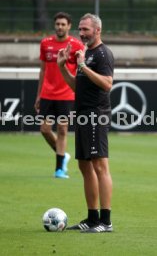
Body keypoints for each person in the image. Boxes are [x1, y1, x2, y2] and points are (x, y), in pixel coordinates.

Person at [57, 13, 114, 233]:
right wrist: (64, 67)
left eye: (85, 30)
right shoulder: (86, 53)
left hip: (96, 115)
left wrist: (83, 67)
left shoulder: (102, 54)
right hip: (82, 114)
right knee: (84, 166)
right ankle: (92, 219)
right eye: (79, 29)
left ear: (97, 30)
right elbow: (76, 87)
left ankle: (106, 221)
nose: (81, 33)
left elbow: (108, 84)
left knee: (100, 166)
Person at [34, 12, 84, 179]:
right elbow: (42, 70)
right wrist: (38, 94)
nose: (60, 27)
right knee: (44, 129)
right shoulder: (45, 43)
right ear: (54, 25)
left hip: (66, 94)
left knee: (62, 129)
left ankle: (59, 169)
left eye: (63, 24)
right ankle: (63, 155)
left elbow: (81, 70)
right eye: (58, 24)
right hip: (47, 92)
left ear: (69, 26)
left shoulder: (76, 45)